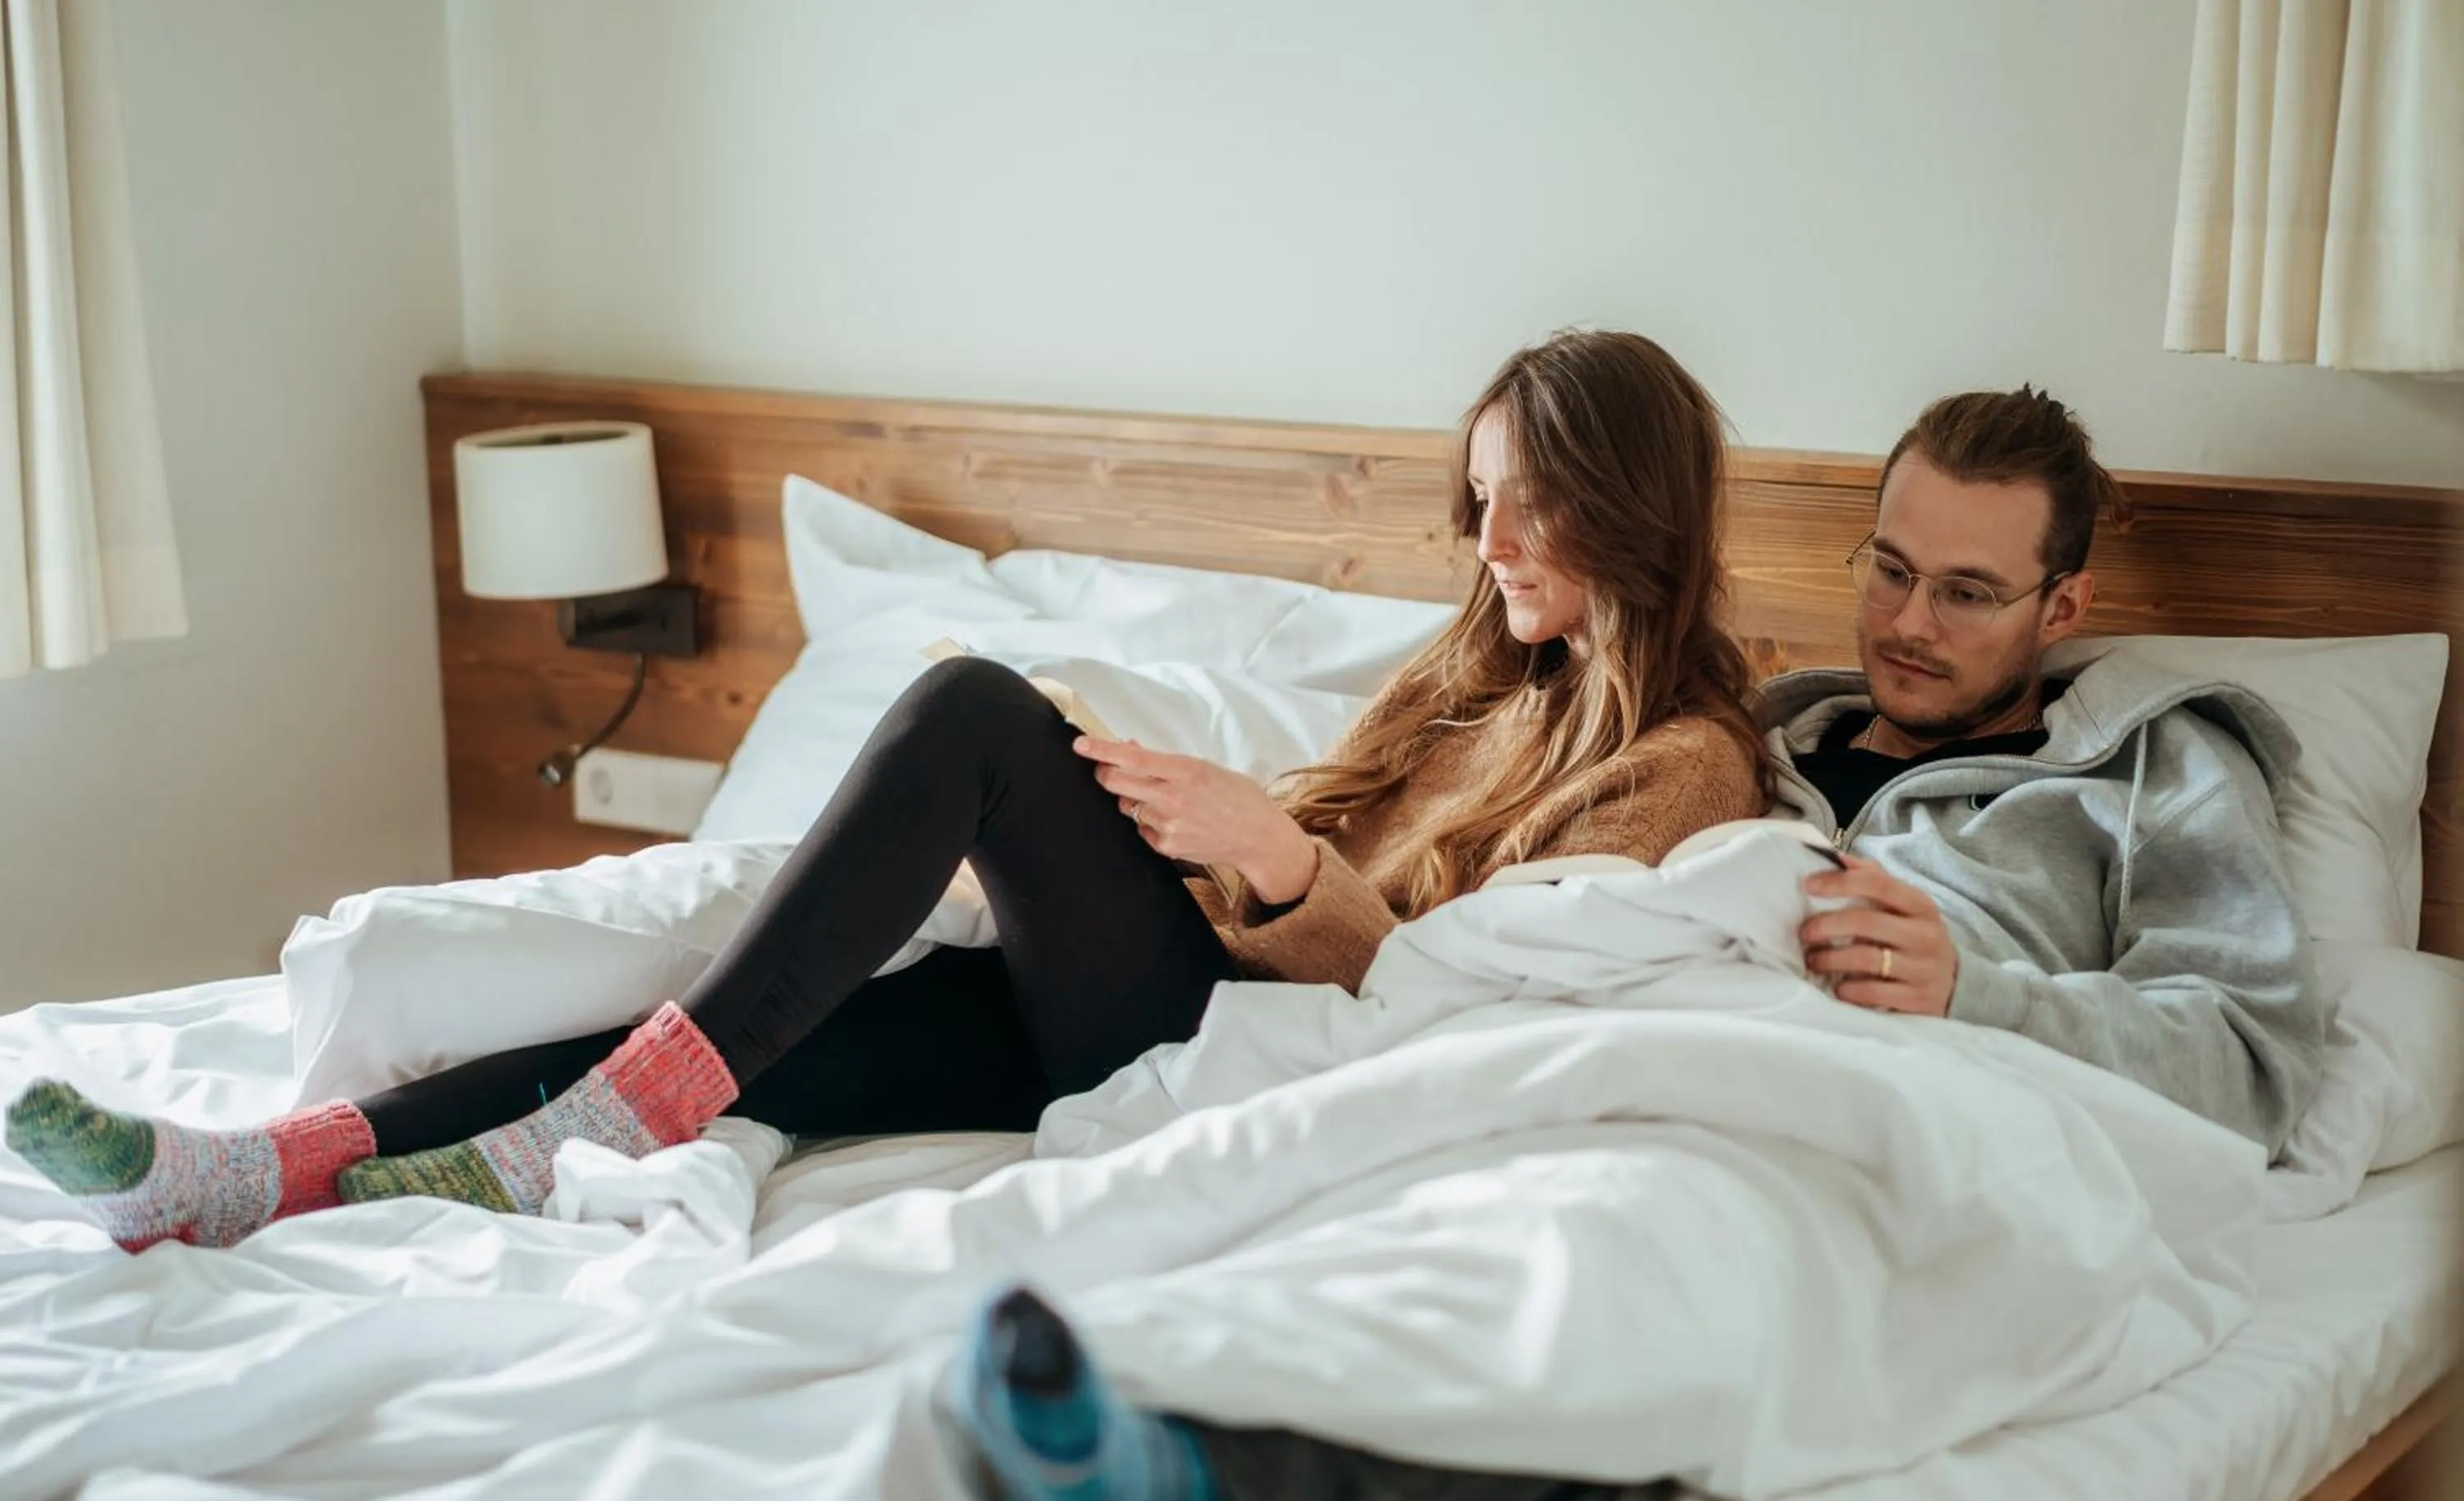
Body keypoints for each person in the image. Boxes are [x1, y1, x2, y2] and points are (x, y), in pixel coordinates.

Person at [938, 385, 2331, 1501]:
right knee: (1488, 1193)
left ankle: (1223, 1489)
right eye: (1891, 571)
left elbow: (2252, 1063)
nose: (1909, 623)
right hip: (1678, 1032)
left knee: (1644, 1241)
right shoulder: (1762, 735)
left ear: (2063, 608)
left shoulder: (2158, 771)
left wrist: (1985, 988)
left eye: (1968, 592)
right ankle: (1215, 1498)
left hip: (1926, 1090)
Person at [5, 326, 1768, 1254]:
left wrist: (1288, 868)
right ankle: (253, 1170)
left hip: (1268, 1050)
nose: (1495, 543)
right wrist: (1195, 822)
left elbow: (1483, 1000)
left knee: (970, 710)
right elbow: (1299, 854)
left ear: (1638, 503)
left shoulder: (1677, 763)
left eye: (1534, 502)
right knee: (738, 1035)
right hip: (1174, 991)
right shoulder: (1472, 672)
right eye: (1478, 501)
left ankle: (583, 1121)